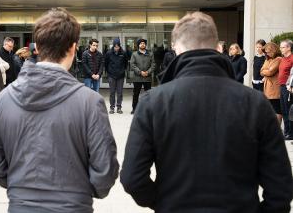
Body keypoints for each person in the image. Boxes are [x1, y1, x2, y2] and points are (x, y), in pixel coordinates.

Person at [120, 12, 293, 213]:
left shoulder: (153, 102)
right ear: (218, 48)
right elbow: (280, 187)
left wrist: (165, 203)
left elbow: (132, 178)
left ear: (176, 48)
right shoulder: (255, 103)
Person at [0, 8, 119, 213]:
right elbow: (105, 170)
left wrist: (21, 188)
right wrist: (78, 192)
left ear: (36, 47)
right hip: (73, 206)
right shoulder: (90, 102)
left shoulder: (4, 99)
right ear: (74, 48)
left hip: (21, 205)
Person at [130, 38, 155, 114]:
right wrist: (140, 72)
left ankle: (148, 110)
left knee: (148, 94)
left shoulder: (150, 54)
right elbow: (132, 65)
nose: (142, 44)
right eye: (141, 43)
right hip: (137, 78)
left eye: (144, 43)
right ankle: (134, 109)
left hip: (147, 78)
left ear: (145, 45)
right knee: (136, 94)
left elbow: (153, 64)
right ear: (138, 45)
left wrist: (148, 72)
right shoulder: (134, 54)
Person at [260, 42, 282, 122]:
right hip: (267, 88)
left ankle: (278, 129)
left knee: (277, 109)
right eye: (266, 52)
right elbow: (261, 71)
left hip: (275, 89)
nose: (267, 54)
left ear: (274, 50)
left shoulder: (278, 59)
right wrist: (266, 70)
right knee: (270, 109)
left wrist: (266, 71)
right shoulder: (267, 59)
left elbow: (270, 72)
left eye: (269, 52)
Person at [105, 38, 128, 114]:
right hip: (111, 76)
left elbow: (125, 64)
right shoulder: (109, 53)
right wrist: (109, 73)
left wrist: (122, 71)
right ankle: (112, 107)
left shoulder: (123, 53)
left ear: (120, 46)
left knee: (120, 92)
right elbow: (106, 64)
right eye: (115, 47)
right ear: (113, 46)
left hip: (120, 76)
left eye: (118, 47)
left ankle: (119, 107)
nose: (116, 48)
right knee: (112, 92)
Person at [278, 39, 293, 140]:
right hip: (281, 86)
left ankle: (291, 134)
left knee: (289, 111)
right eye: (280, 47)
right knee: (283, 111)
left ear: (289, 48)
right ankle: (286, 132)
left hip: (289, 88)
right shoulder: (283, 59)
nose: (281, 49)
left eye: (283, 47)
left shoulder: (292, 59)